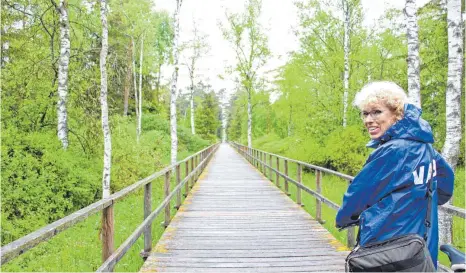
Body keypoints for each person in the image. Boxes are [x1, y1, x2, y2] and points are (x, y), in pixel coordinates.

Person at [335, 81, 454, 268]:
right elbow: (446, 188)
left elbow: (358, 196)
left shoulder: (391, 151)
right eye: (365, 113)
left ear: (397, 113)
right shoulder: (428, 150)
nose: (368, 120)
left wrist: (343, 219)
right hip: (420, 244)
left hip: (389, 247)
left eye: (377, 112)